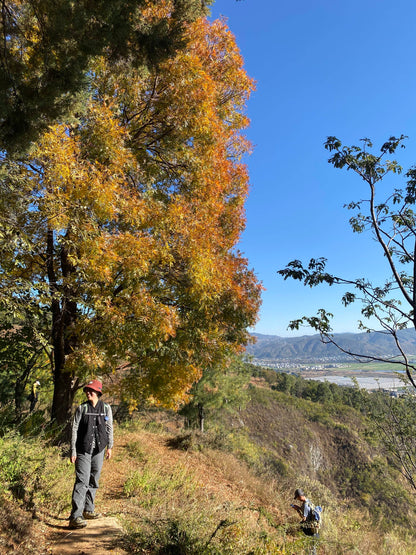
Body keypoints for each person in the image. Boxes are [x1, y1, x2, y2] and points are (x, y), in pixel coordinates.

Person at [69, 379, 113, 529]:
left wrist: (110, 447)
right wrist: (73, 450)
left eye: (91, 390)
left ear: (98, 393)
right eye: (87, 390)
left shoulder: (106, 408)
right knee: (82, 481)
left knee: (94, 479)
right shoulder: (82, 408)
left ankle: (89, 509)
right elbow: (74, 429)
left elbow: (109, 427)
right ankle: (76, 516)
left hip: (99, 450)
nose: (88, 393)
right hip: (83, 450)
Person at [291, 488, 320, 554]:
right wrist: (299, 508)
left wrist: (298, 510)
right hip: (314, 529)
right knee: (312, 548)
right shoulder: (308, 501)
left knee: (311, 549)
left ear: (300, 496)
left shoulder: (305, 505)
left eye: (297, 498)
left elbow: (304, 518)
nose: (297, 499)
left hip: (310, 530)